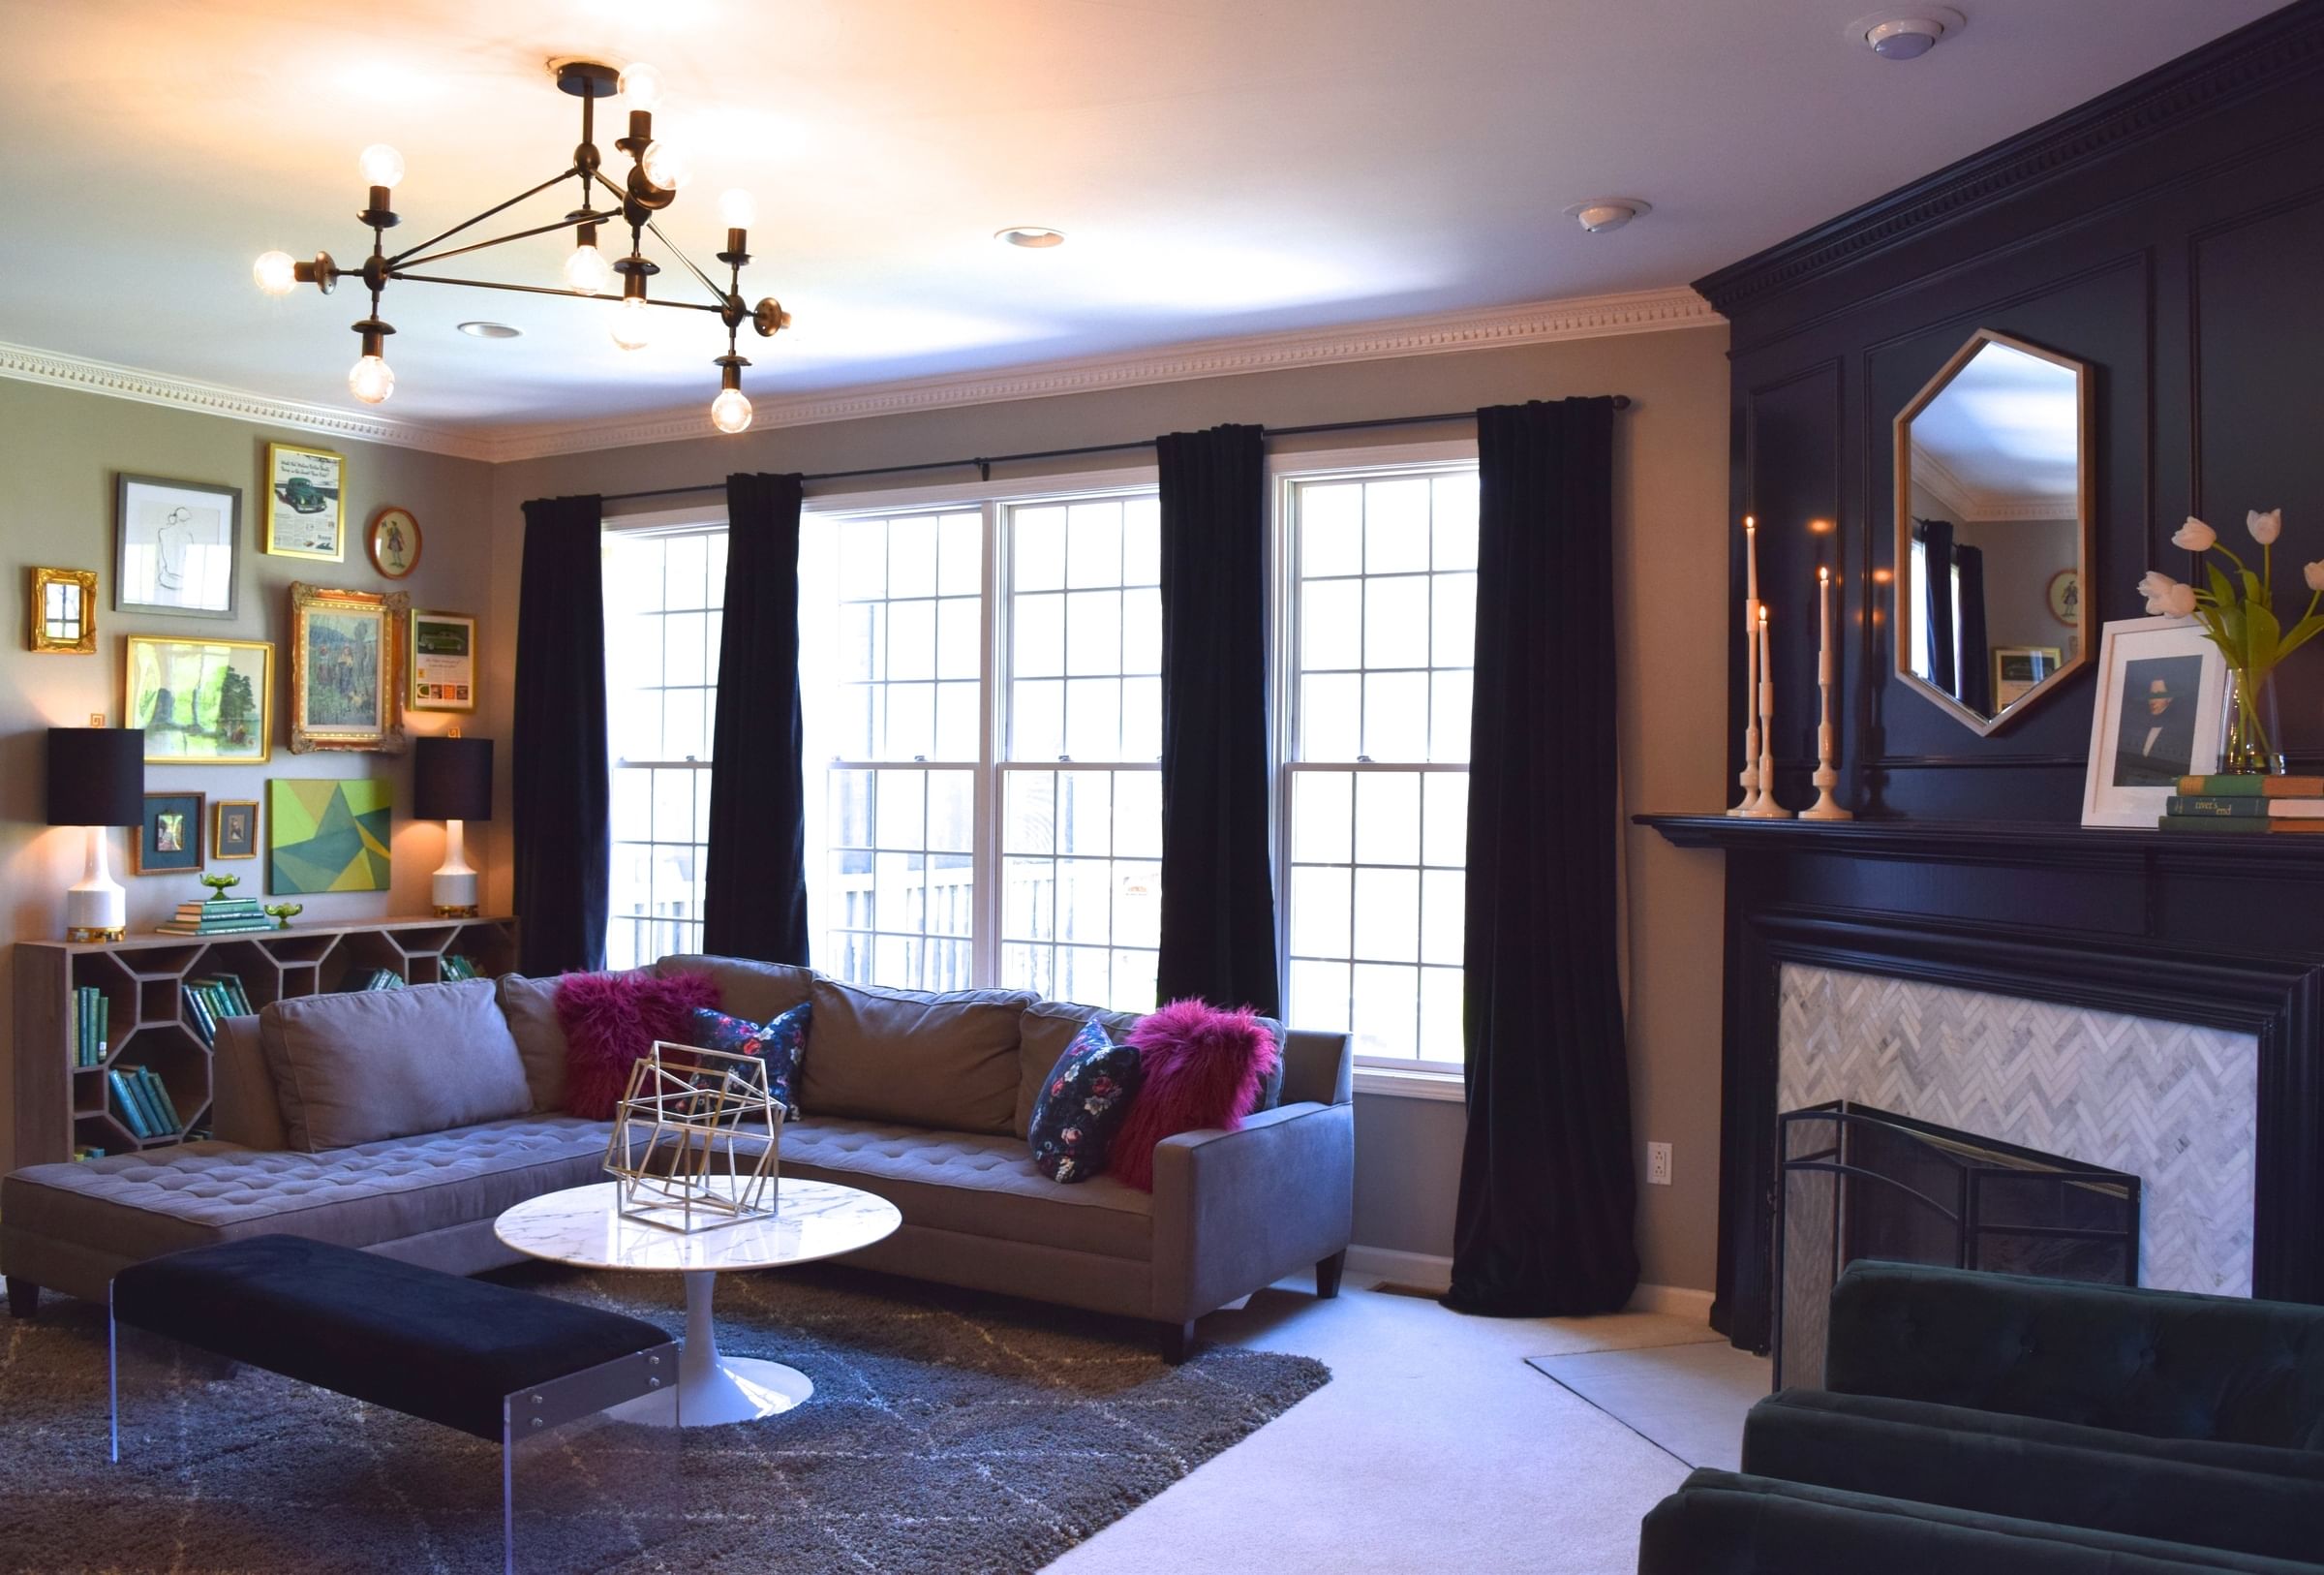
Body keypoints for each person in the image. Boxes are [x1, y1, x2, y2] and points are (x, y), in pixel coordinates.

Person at [2113, 660, 2199, 787]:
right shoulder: (2137, 727)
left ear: (2170, 698)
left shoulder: (2183, 734)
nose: (2152, 701)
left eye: (2158, 695)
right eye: (2151, 695)